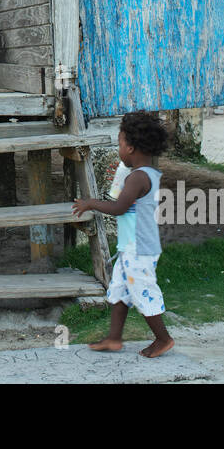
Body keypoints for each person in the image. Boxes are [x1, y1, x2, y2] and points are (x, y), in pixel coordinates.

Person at [72, 111, 174, 357]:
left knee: (143, 291)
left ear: (130, 148)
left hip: (139, 249)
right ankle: (114, 338)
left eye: (119, 144)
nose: (118, 150)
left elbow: (119, 208)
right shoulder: (145, 173)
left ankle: (163, 339)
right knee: (119, 290)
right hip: (131, 247)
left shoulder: (138, 178)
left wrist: (91, 203)